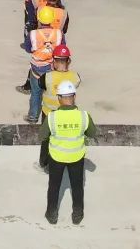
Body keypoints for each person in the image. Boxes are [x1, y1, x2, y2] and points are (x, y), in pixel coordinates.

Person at [42, 80, 95, 225]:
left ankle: (51, 214)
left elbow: (42, 136)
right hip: (76, 157)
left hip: (56, 157)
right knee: (77, 186)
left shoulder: (52, 117)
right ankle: (77, 215)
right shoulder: (84, 116)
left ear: (59, 98)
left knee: (54, 186)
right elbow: (92, 133)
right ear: (74, 97)